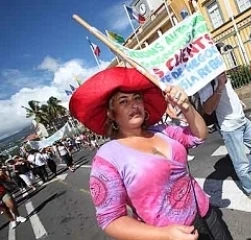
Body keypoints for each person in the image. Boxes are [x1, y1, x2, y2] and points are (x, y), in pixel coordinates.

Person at [69, 67, 234, 240]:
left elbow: (199, 135)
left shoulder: (162, 131)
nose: (134, 105)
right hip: (168, 234)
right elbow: (111, 219)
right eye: (123, 101)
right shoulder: (107, 157)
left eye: (137, 98)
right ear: (111, 113)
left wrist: (187, 108)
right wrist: (164, 234)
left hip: (206, 213)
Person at [198, 54, 251, 204]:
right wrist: (219, 86)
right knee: (241, 164)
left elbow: (229, 93)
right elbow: (208, 108)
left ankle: (249, 175)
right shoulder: (205, 83)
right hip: (230, 128)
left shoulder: (221, 73)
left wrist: (239, 102)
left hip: (243, 121)